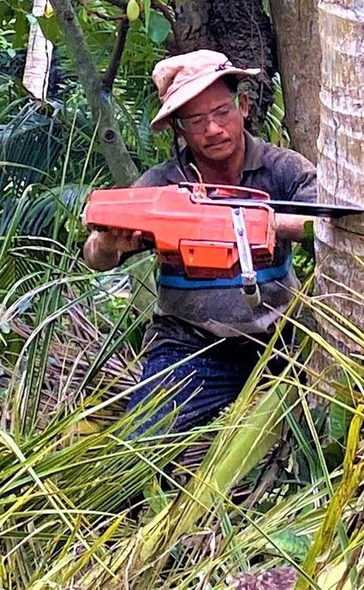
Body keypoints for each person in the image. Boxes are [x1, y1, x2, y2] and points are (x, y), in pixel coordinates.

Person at [83, 49, 317, 435]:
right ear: (179, 129)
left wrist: (248, 221)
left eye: (221, 113)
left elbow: (324, 223)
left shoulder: (282, 168)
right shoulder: (162, 185)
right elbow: (95, 254)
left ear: (242, 106)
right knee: (138, 451)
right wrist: (110, 244)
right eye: (196, 120)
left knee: (324, 439)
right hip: (189, 344)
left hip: (283, 340)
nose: (212, 129)